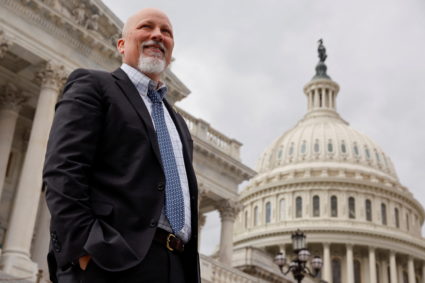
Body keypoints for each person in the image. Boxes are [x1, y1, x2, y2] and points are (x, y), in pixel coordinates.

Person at [43, 8, 200, 283]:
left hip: (176, 265)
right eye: (146, 27)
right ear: (121, 44)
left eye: (166, 32)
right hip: (111, 262)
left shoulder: (177, 122)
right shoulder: (94, 85)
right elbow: (62, 170)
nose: (157, 35)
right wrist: (86, 248)